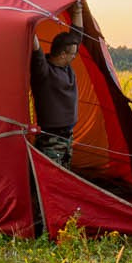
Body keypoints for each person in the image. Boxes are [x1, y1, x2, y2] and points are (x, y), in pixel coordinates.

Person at [29, 25, 82, 167]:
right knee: (51, 174)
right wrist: (29, 24)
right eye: (73, 54)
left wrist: (78, 9)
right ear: (63, 54)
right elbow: (36, 50)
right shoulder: (43, 71)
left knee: (64, 174)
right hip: (50, 139)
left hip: (67, 136)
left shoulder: (66, 68)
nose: (75, 56)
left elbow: (77, 36)